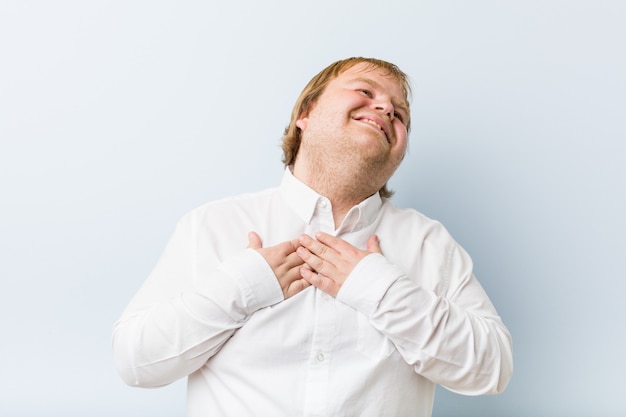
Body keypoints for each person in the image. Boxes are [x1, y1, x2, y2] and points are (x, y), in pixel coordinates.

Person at [112, 57, 513, 417]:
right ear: (306, 113)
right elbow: (136, 361)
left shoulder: (430, 243)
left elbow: (493, 370)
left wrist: (380, 290)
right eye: (365, 91)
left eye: (401, 114)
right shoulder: (212, 225)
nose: (387, 108)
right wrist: (241, 288)